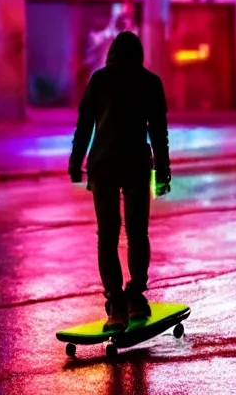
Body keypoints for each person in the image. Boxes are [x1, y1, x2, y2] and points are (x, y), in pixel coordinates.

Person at [68, 31, 171, 332]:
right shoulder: (150, 83)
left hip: (103, 166)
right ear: (139, 55)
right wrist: (163, 172)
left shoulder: (99, 80)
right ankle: (136, 296)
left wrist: (76, 163)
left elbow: (84, 125)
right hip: (137, 165)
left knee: (108, 235)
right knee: (138, 233)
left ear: (110, 54)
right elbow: (159, 132)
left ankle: (115, 303)